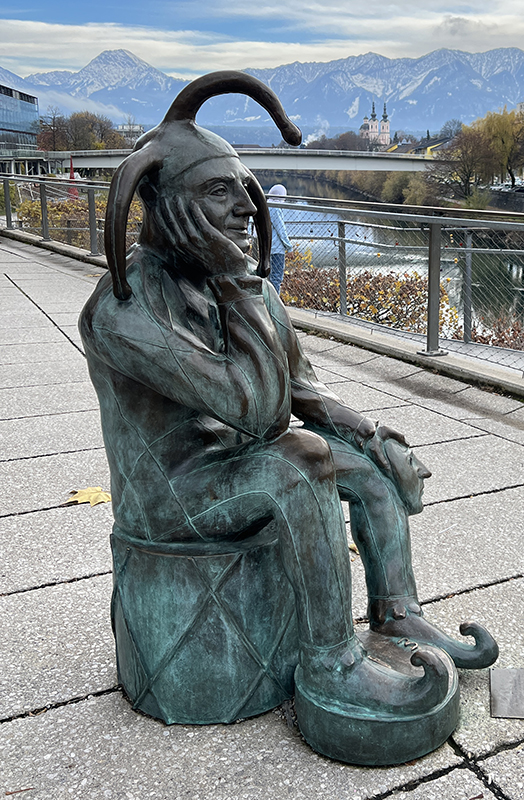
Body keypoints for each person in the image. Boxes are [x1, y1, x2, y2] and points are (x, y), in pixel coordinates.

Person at [79, 71, 496, 763]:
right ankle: (332, 667)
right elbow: (258, 408)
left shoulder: (249, 292)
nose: (245, 209)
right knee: (298, 463)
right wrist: (238, 281)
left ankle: (398, 616)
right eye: (219, 192)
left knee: (356, 465)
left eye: (246, 191)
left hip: (235, 471)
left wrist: (372, 437)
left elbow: (301, 393)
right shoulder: (123, 310)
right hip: (170, 499)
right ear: (159, 200)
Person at [267, 183, 290, 294]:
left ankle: (267, 300)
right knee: (276, 277)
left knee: (268, 276)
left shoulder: (266, 205)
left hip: (267, 246)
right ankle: (274, 302)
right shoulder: (275, 208)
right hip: (276, 247)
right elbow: (281, 229)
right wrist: (288, 246)